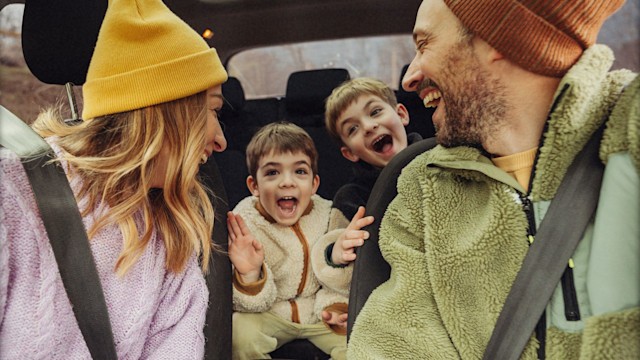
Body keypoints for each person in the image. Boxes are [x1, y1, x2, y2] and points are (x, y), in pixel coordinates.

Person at [348, 0, 639, 359]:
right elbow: (394, 343)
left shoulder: (631, 131)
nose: (409, 77)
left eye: (424, 45)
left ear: (497, 40)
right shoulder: (423, 189)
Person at [0, 0, 228, 358]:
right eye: (213, 111)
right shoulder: (10, 193)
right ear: (166, 112)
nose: (221, 140)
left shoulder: (173, 230)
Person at [228, 122, 349, 360]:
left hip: (318, 313)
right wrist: (250, 275)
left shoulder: (330, 215)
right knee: (239, 332)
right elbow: (245, 302)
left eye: (300, 171)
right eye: (273, 173)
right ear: (254, 185)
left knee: (360, 339)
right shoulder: (244, 222)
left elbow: (339, 275)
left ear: (314, 184)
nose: (287, 182)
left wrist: (334, 308)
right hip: (271, 312)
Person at [310, 77, 420, 298]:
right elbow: (346, 277)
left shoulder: (441, 162)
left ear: (401, 114)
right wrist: (337, 254)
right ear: (349, 153)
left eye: (376, 112)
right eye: (353, 129)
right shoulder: (352, 198)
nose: (369, 127)